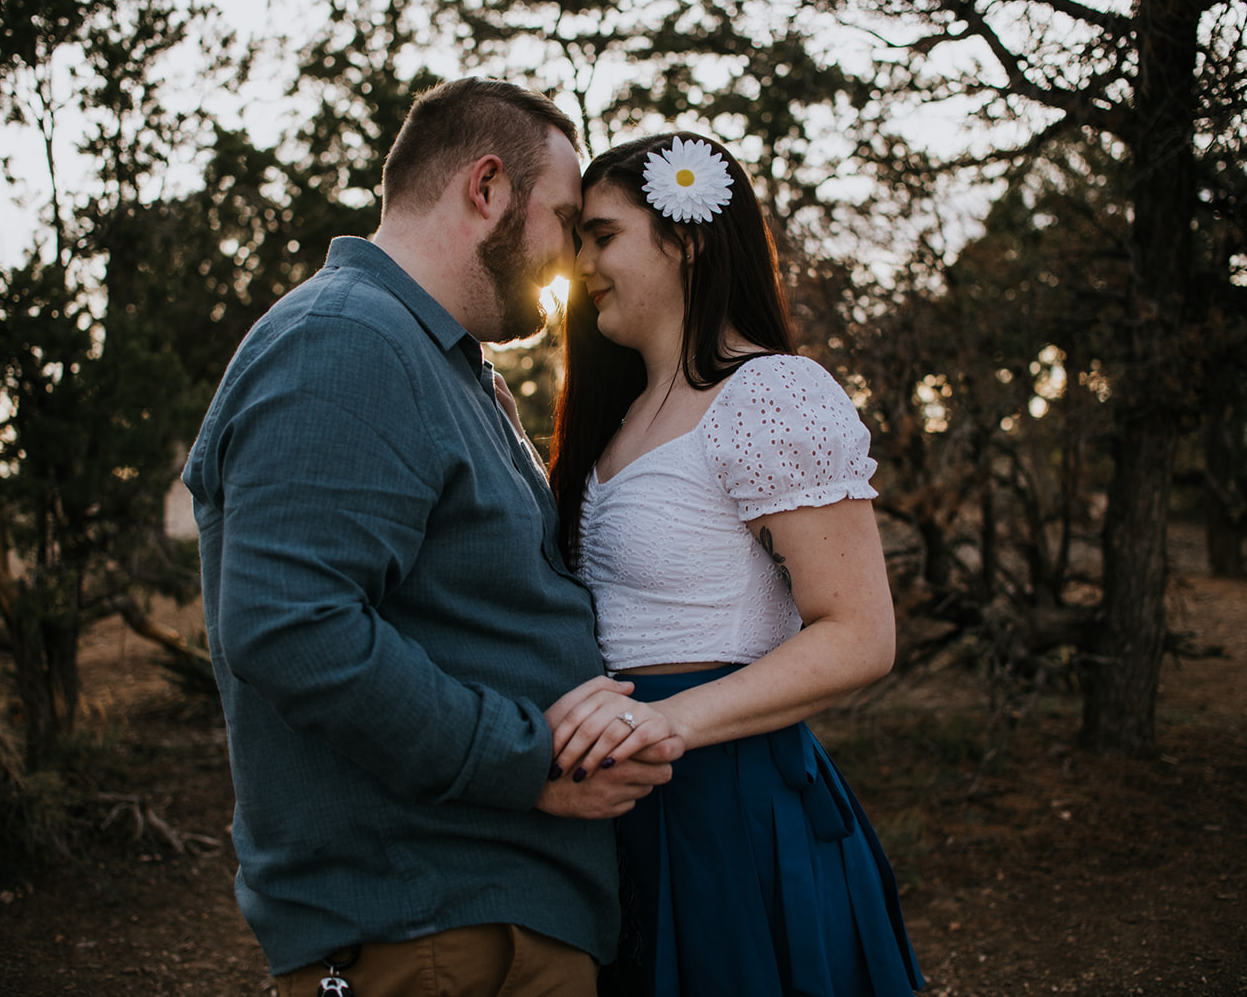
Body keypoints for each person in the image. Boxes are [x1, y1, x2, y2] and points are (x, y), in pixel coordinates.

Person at [182, 78, 680, 997]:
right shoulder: (344, 341)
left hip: (486, 921)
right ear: (486, 188)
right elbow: (290, 625)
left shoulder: (439, 361)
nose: (574, 253)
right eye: (565, 219)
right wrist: (528, 761)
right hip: (430, 931)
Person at [545, 133, 926, 995]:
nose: (583, 262)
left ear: (687, 238)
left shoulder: (770, 394)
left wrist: (670, 722)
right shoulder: (612, 417)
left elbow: (860, 636)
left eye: (602, 235)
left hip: (729, 801)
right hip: (614, 807)